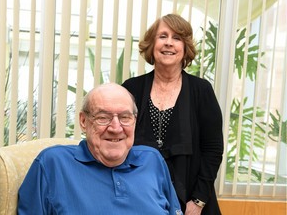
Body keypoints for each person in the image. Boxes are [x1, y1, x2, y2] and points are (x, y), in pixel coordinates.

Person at [17, 83, 183, 215]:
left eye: (125, 117)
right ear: (83, 121)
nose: (116, 128)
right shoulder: (52, 164)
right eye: (103, 117)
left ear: (135, 120)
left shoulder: (152, 160)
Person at [122, 14, 224, 215]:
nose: (169, 43)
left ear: (185, 48)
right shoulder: (131, 88)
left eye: (177, 38)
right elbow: (119, 139)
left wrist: (198, 201)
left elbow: (213, 150)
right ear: (152, 44)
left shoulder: (201, 90)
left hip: (191, 203)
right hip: (139, 199)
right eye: (163, 36)